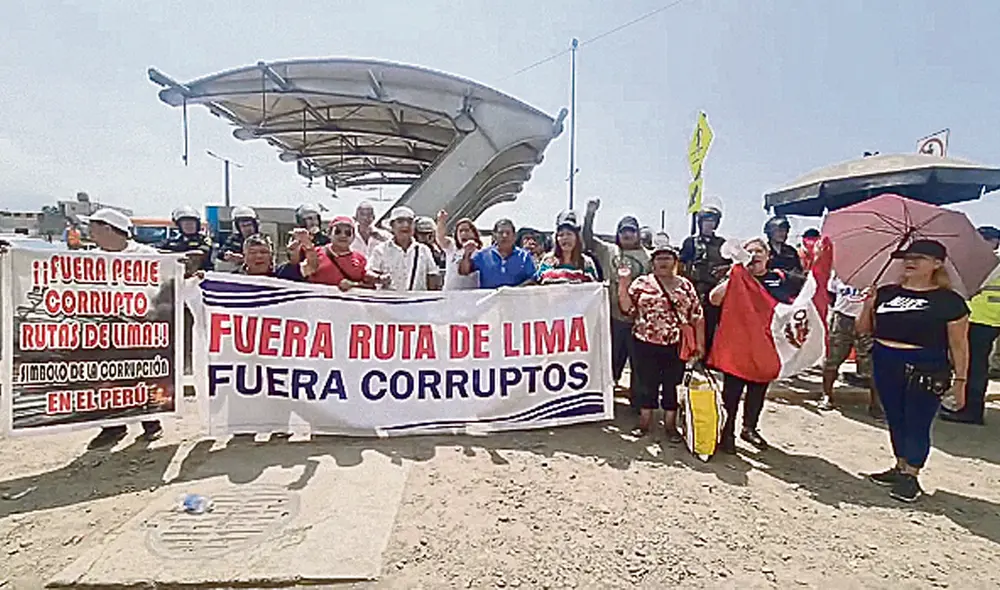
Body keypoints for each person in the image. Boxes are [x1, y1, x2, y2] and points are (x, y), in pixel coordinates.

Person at [857, 239, 969, 502]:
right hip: (885, 359)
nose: (910, 261)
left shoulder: (949, 301)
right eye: (907, 257)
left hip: (927, 363)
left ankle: (912, 474)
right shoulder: (887, 292)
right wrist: (867, 303)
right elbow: (863, 330)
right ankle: (900, 466)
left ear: (937, 264)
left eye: (919, 258)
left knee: (917, 420)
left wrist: (961, 380)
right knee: (894, 416)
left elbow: (959, 345)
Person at [85, 209, 164, 448]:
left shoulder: (147, 255)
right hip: (103, 330)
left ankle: (151, 422)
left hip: (140, 329)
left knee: (142, 375)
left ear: (108, 229)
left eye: (94, 229)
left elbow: (167, 284)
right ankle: (112, 426)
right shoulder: (90, 258)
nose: (91, 234)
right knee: (107, 378)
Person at [709, 238, 794, 453]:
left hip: (766, 345)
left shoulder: (779, 279)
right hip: (738, 346)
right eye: (749, 252)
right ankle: (726, 433)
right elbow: (714, 299)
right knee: (731, 394)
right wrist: (735, 274)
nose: (754, 255)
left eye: (759, 251)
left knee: (758, 391)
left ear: (768, 256)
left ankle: (750, 428)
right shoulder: (737, 277)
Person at [618, 232, 705, 438]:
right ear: (653, 262)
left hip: (674, 344)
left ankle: (670, 426)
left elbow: (697, 315)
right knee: (645, 384)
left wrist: (700, 345)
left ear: (675, 262)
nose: (663, 262)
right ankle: (644, 423)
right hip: (644, 342)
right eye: (659, 258)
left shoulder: (685, 285)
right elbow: (627, 309)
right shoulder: (641, 283)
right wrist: (623, 284)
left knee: (671, 385)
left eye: (668, 258)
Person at [583, 197, 651, 398]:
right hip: (611, 318)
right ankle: (606, 400)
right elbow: (587, 238)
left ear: (638, 234)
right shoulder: (608, 250)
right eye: (623, 231)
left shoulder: (649, 257)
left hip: (638, 321)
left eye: (631, 231)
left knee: (638, 366)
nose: (627, 235)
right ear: (617, 234)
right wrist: (590, 213)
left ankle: (639, 403)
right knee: (610, 362)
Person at [941, 226, 1000, 425]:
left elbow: (972, 286)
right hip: (983, 318)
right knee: (973, 365)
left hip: (983, 319)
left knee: (974, 366)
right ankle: (965, 405)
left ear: (993, 241)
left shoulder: (992, 261)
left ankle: (971, 411)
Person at [820, 273, 884, 418]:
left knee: (875, 364)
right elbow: (831, 293)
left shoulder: (881, 275)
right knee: (832, 359)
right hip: (843, 317)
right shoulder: (841, 272)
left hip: (869, 319)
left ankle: (876, 404)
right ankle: (827, 395)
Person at [680, 206, 730, 355]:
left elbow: (731, 263)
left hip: (715, 290)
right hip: (695, 288)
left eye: (713, 221)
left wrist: (724, 269)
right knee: (692, 322)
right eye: (707, 220)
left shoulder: (722, 243)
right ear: (700, 222)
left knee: (712, 323)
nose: (710, 224)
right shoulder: (691, 242)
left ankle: (707, 355)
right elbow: (681, 264)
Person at [367, 206, 441, 291]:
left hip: (417, 301)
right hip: (389, 301)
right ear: (392, 225)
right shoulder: (380, 250)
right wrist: (380, 278)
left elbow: (432, 276)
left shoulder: (423, 250)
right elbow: (369, 273)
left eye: (409, 222)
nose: (405, 225)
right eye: (400, 221)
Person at [459, 218, 536, 288]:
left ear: (514, 236)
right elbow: (464, 271)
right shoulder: (483, 255)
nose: (504, 236)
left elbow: (532, 279)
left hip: (516, 300)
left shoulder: (524, 256)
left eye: (508, 233)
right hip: (490, 302)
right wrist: (466, 255)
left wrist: (511, 292)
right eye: (501, 233)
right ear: (494, 236)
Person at [300, 216, 372, 290]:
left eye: (348, 233)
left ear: (353, 237)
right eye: (337, 232)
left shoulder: (361, 259)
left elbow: (370, 286)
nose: (343, 235)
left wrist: (353, 285)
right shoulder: (315, 253)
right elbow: (303, 273)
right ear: (329, 234)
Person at [534, 211, 599, 284]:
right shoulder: (548, 260)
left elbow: (593, 287)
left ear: (577, 238)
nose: (565, 238)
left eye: (569, 234)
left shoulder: (586, 263)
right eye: (561, 235)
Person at [436, 209, 481, 291]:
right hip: (449, 292)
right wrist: (441, 221)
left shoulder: (480, 252)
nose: (463, 234)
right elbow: (440, 238)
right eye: (460, 231)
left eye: (467, 230)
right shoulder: (452, 247)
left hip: (470, 294)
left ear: (474, 233)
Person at [159, 206, 213, 273]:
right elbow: (155, 251)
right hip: (175, 275)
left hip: (200, 277)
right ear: (179, 225)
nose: (189, 226)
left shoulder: (204, 240)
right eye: (185, 223)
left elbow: (199, 254)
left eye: (191, 223)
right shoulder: (172, 241)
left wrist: (172, 255)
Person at [763, 216, 805, 288]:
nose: (782, 233)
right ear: (770, 232)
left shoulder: (791, 251)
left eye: (784, 230)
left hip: (789, 290)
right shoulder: (763, 251)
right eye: (778, 230)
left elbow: (799, 272)